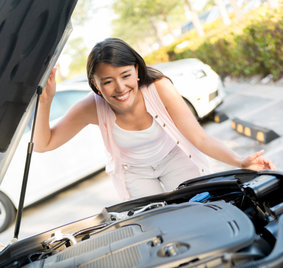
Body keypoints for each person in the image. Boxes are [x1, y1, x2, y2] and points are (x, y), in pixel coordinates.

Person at [34, 38, 276, 201]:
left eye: (125, 75)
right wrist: (45, 102)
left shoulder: (159, 88)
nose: (120, 88)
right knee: (157, 224)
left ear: (137, 71)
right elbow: (44, 144)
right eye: (107, 82)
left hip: (176, 158)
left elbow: (199, 138)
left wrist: (239, 161)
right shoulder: (91, 107)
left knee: (199, 206)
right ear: (95, 86)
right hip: (135, 172)